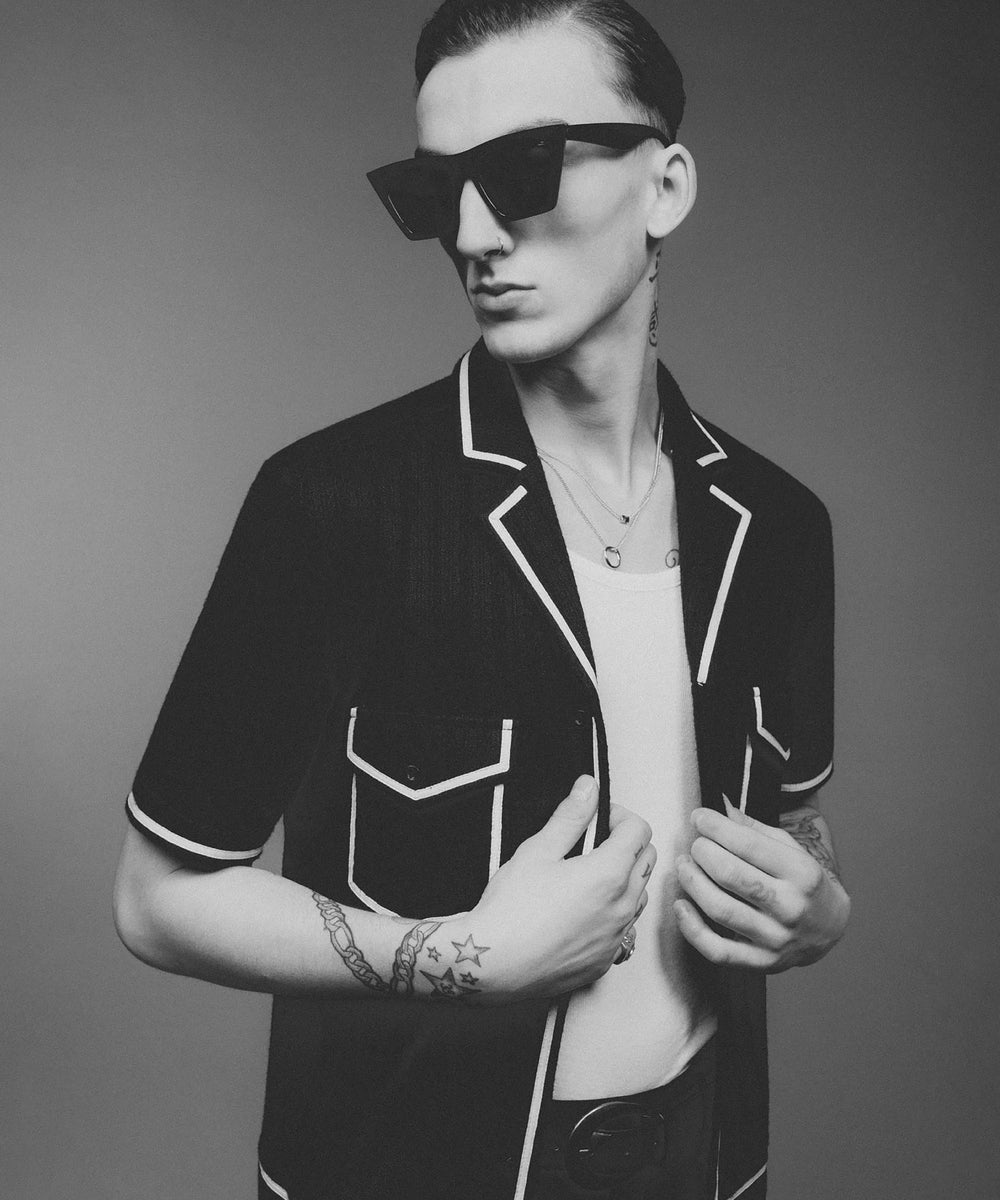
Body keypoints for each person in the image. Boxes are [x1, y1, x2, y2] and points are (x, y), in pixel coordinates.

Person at [113, 2, 850, 1198]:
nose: (468, 233)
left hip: (706, 1156)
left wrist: (819, 905)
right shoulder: (334, 504)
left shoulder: (779, 526)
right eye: (432, 189)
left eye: (520, 171)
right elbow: (155, 902)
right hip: (408, 1167)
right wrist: (462, 957)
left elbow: (798, 817)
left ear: (664, 186)